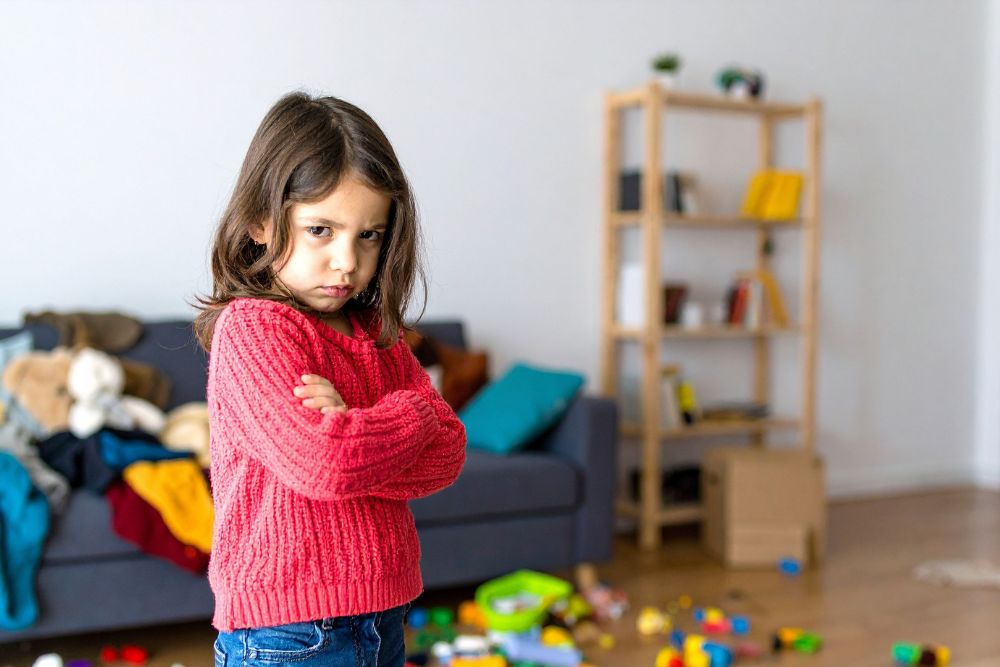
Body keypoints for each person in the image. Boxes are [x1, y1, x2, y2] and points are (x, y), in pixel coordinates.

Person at [191, 91, 467, 667]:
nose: (347, 261)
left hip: (385, 609)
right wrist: (414, 412)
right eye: (321, 230)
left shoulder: (374, 329)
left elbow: (449, 450)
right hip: (287, 631)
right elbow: (327, 463)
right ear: (260, 222)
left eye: (368, 235)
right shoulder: (254, 329)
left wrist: (361, 423)